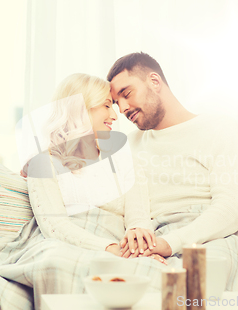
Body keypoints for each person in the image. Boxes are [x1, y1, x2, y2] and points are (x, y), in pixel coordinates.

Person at [107, 52, 238, 259]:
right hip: (152, 239)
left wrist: (169, 243)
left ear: (154, 81)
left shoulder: (220, 129)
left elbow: (230, 209)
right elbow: (134, 210)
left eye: (126, 94)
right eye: (116, 103)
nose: (123, 109)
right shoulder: (130, 144)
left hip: (205, 236)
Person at [22, 73, 165, 263]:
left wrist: (138, 242)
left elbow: (138, 217)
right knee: (55, 262)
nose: (115, 115)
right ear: (80, 109)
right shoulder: (43, 164)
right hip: (68, 248)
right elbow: (54, 226)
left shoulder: (124, 159)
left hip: (122, 249)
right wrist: (109, 249)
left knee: (152, 267)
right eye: (107, 106)